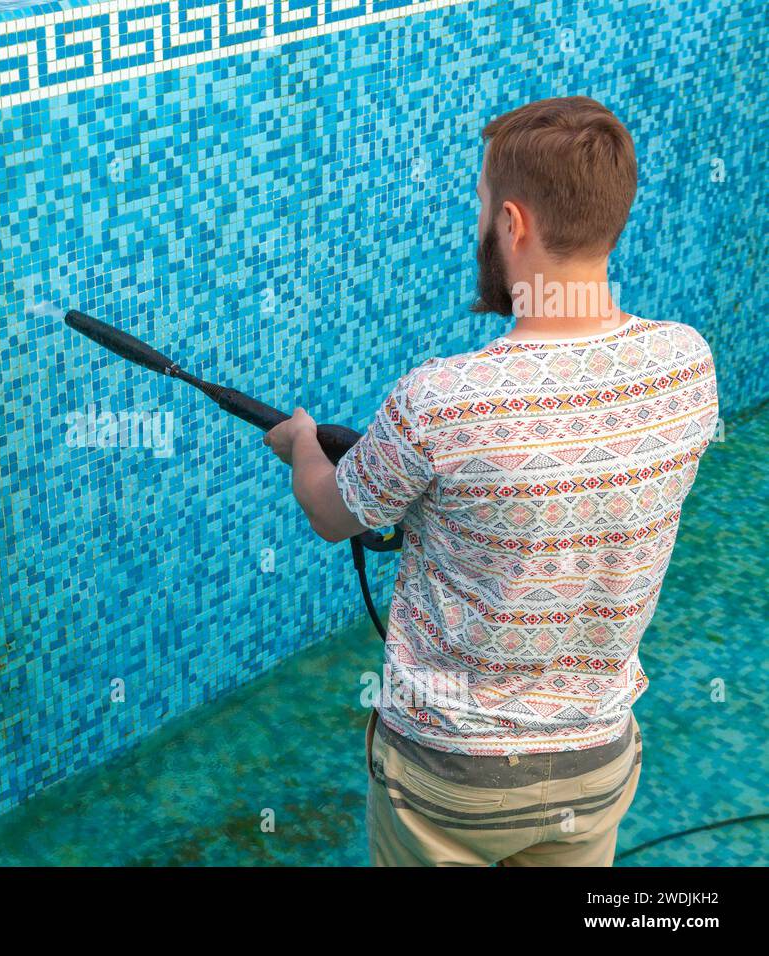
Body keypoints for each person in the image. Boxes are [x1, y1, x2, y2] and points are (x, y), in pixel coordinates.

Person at [263, 96, 720, 866]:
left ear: (512, 224)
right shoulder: (687, 365)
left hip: (447, 778)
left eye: (482, 205)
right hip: (594, 766)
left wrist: (305, 444)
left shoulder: (441, 400)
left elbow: (331, 513)